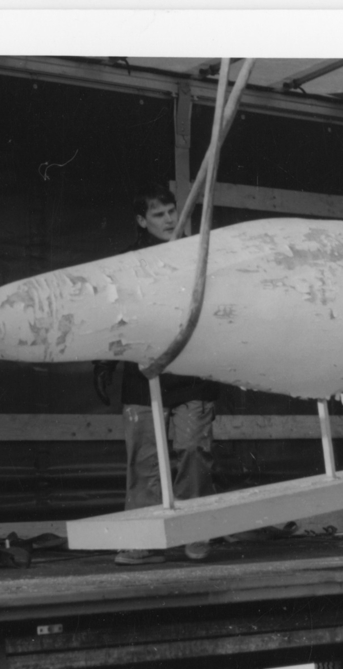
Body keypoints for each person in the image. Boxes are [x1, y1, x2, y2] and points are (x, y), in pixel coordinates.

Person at [93, 184, 220, 566]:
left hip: (192, 374)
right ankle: (141, 539)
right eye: (158, 214)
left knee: (194, 451)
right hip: (144, 375)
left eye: (171, 212)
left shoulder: (196, 257)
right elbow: (114, 315)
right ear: (141, 220)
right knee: (144, 460)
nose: (168, 219)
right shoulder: (128, 263)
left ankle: (195, 533)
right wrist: (104, 362)